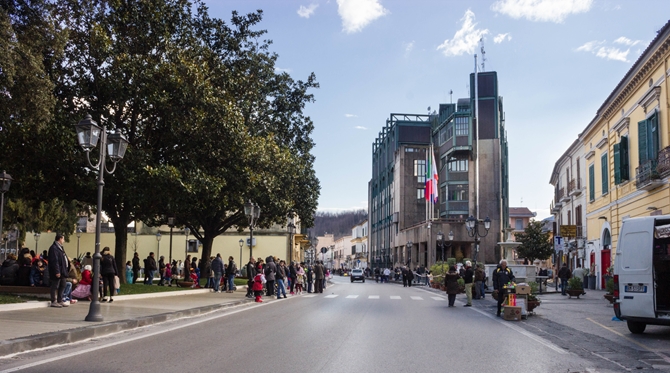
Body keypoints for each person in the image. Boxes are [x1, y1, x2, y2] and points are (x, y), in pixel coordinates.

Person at [48, 234, 69, 307]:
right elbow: (55, 261)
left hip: (62, 270)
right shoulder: (54, 248)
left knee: (63, 284)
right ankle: (53, 300)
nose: (64, 240)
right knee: (55, 285)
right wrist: (57, 271)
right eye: (63, 239)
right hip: (58, 270)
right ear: (60, 239)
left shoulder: (60, 248)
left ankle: (60, 300)